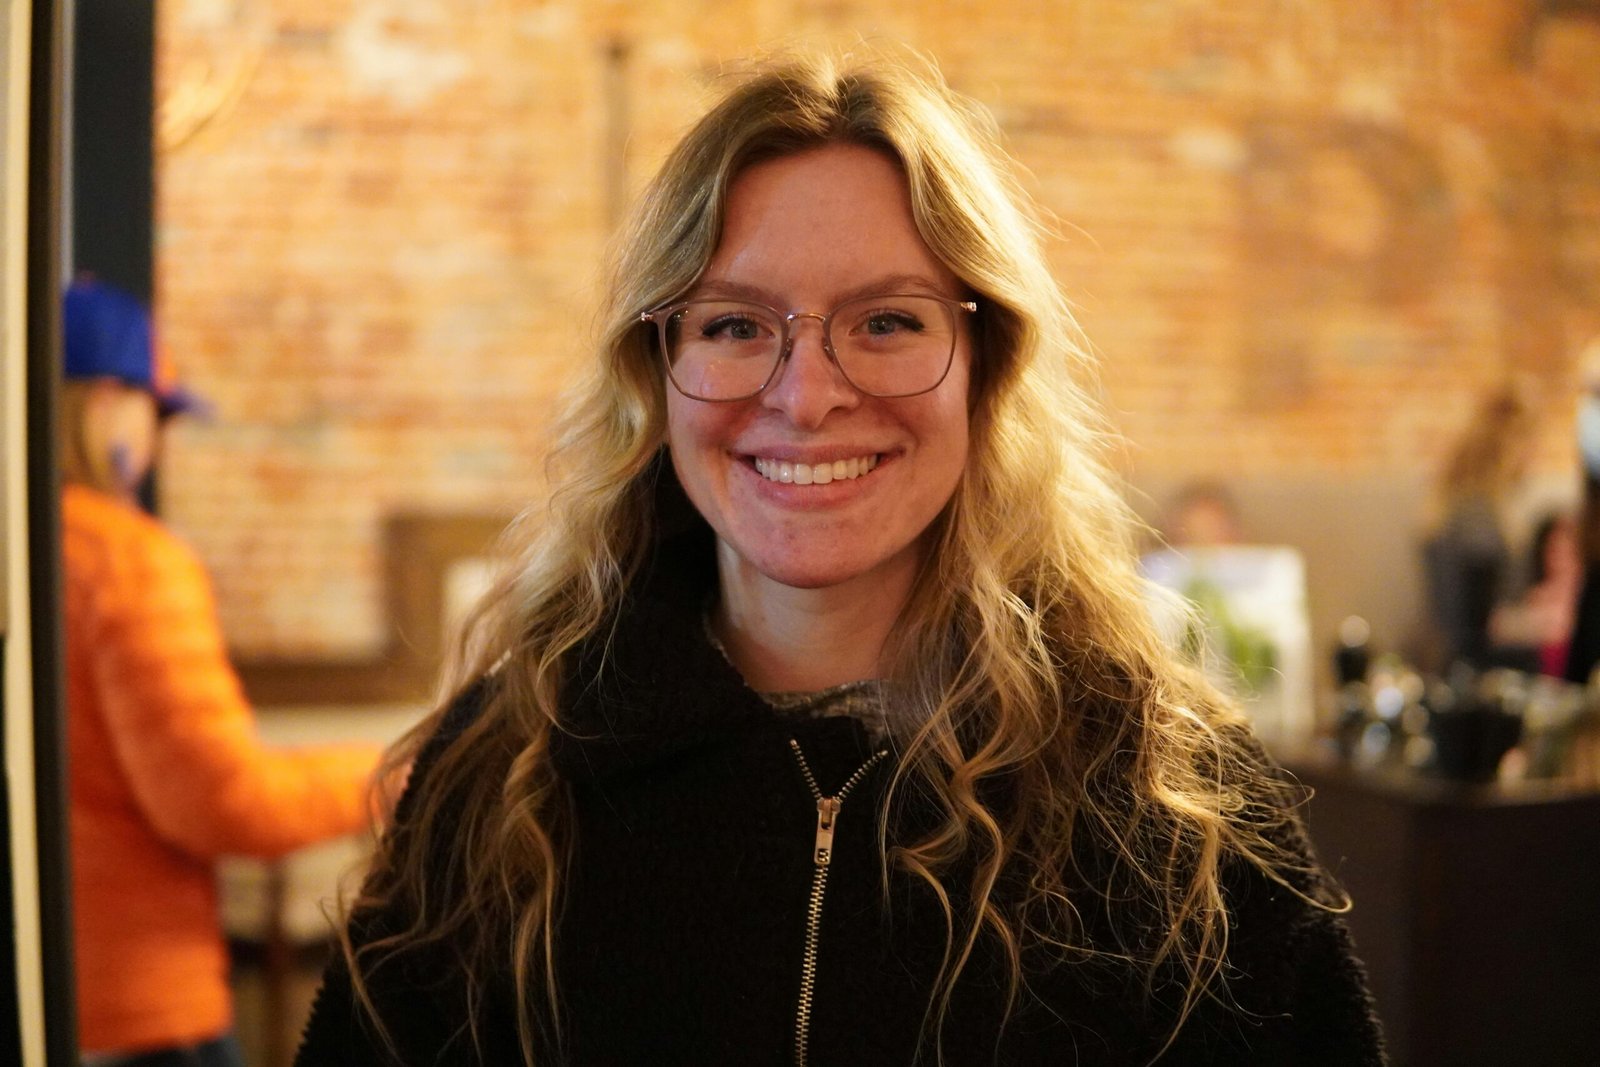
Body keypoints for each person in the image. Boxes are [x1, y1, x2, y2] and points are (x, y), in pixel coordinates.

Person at [296, 51, 1385, 1066]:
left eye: (886, 322)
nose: (807, 396)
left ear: (984, 367)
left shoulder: (1171, 797)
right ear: (656, 369)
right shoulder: (507, 767)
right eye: (732, 326)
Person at [61, 278, 387, 1066]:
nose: (158, 440)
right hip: (145, 1012)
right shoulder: (127, 561)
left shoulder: (34, 554)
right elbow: (219, 803)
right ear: (107, 402)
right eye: (157, 411)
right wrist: (385, 775)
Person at [1419, 381, 1538, 672]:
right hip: (1483, 678)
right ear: (1512, 443)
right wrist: (1557, 622)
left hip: (1460, 669)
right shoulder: (1478, 518)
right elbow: (1485, 624)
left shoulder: (1454, 507)